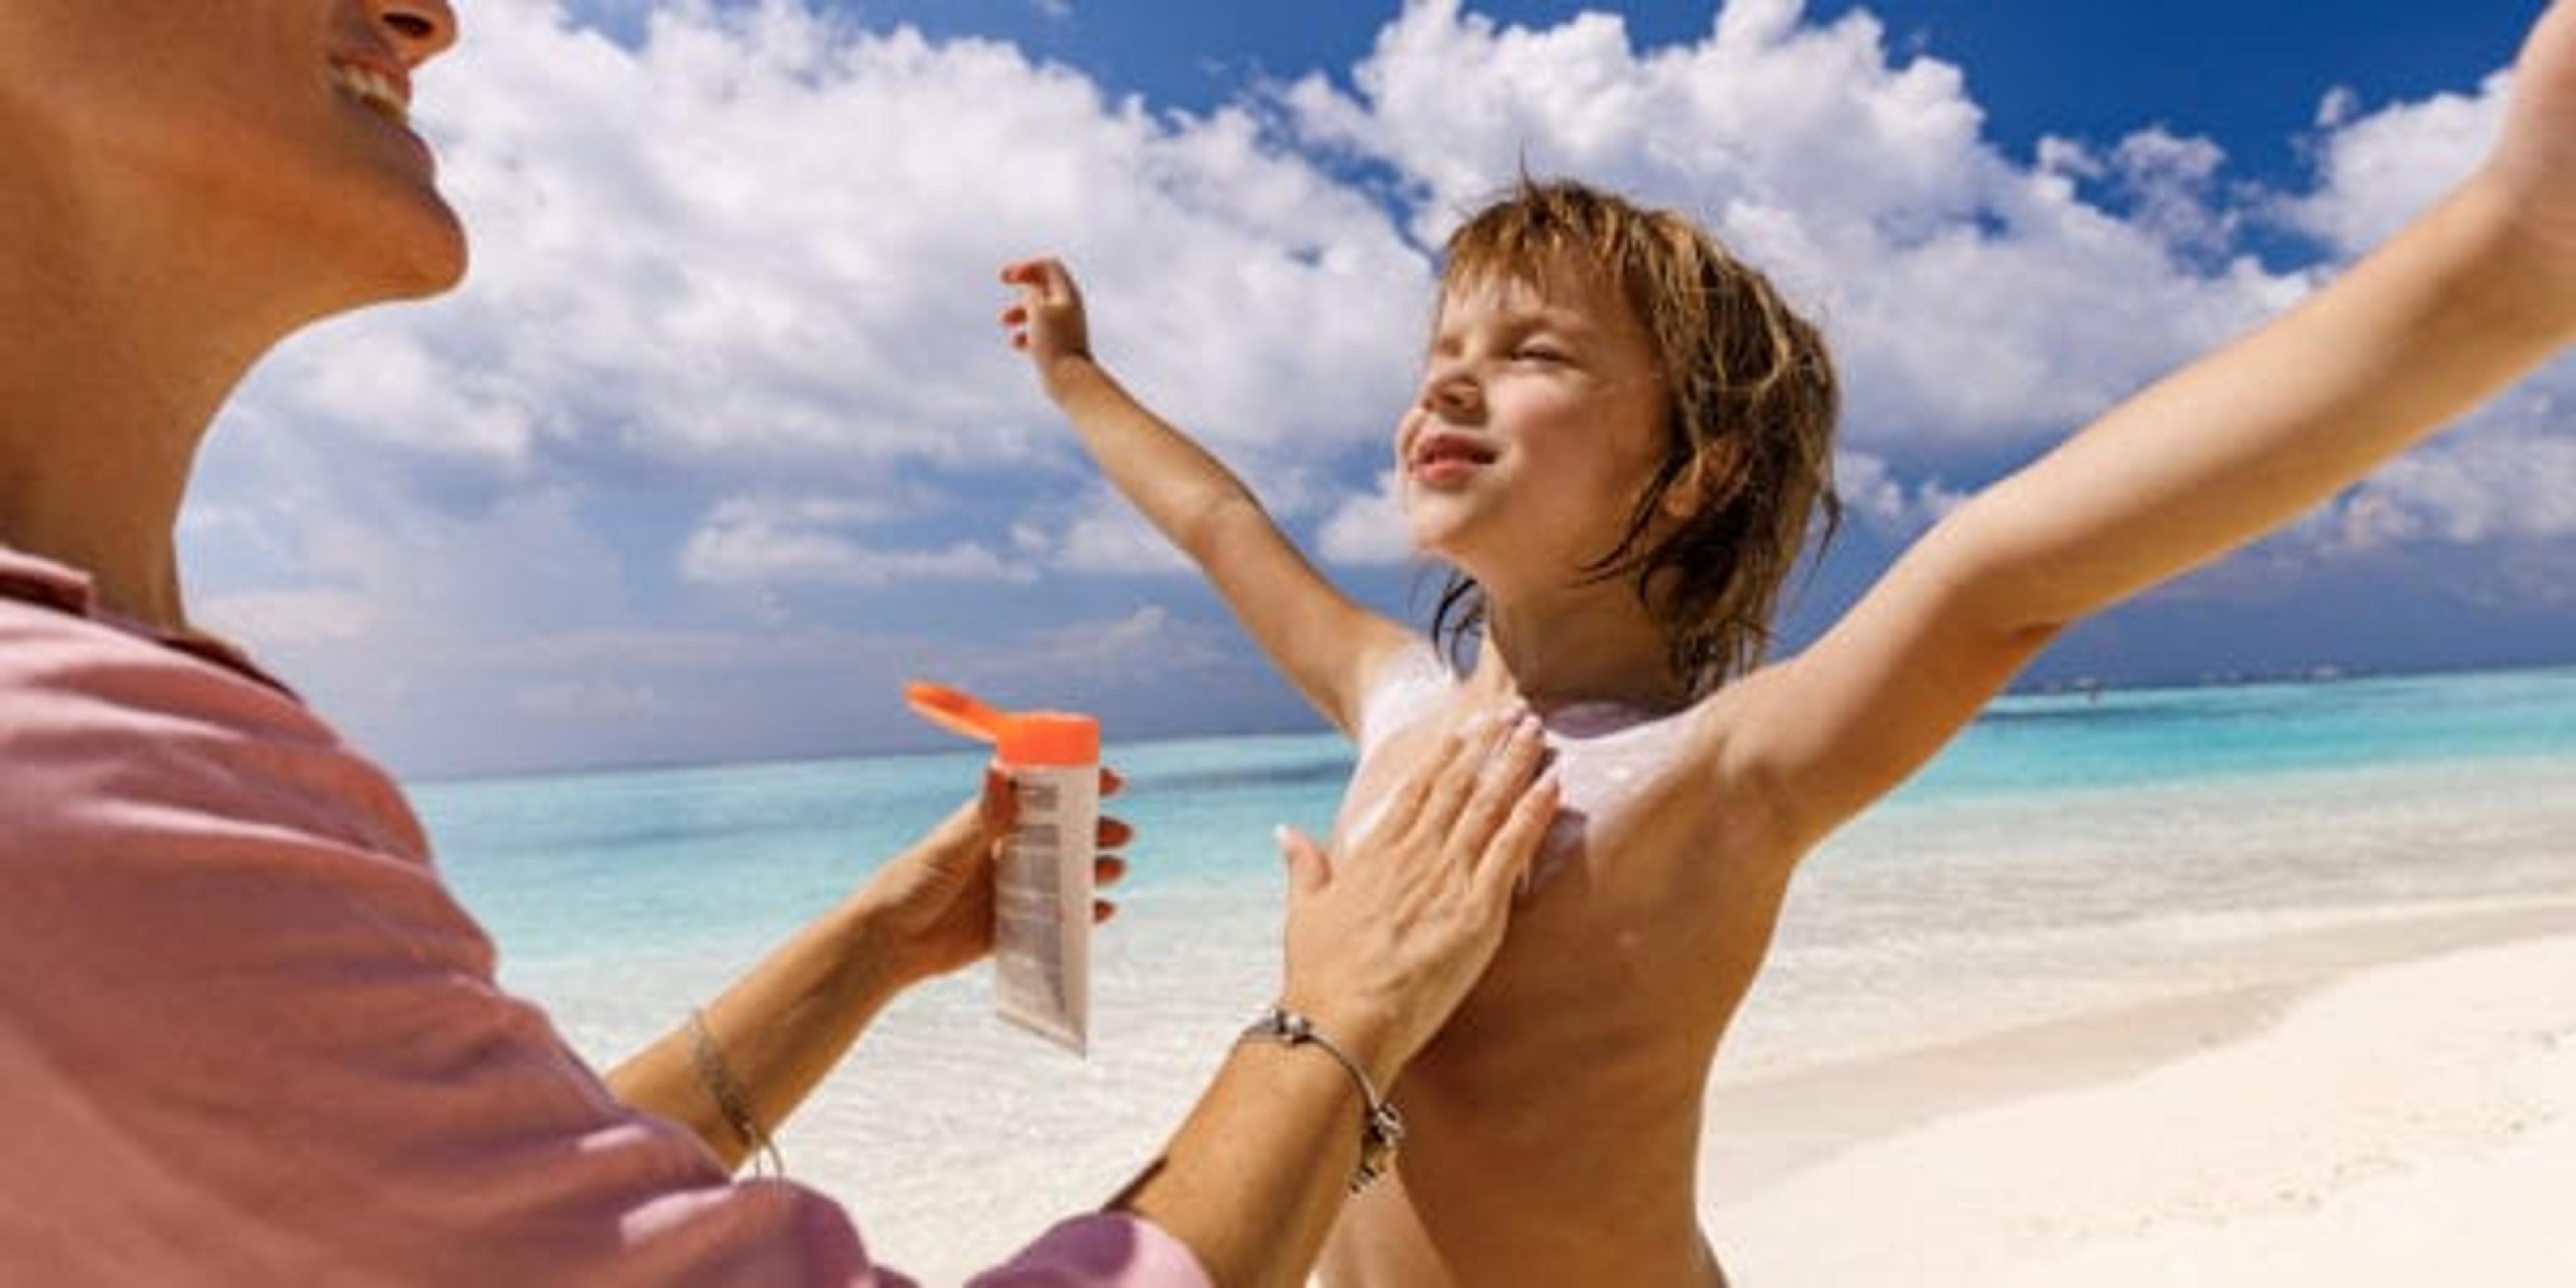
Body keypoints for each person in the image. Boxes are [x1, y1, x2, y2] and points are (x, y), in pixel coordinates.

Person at [998, 3, 2576, 1282]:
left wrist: (2516, 251)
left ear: (1695, 472)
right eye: (1444, 351)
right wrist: (1077, 378)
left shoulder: (1721, 773)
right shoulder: (1390, 700)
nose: (1452, 384)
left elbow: (2005, 570)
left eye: (1533, 353)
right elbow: (1220, 523)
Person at [0, 1, 1565, 1285]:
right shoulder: (61, 782)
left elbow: (465, 1222)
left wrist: (873, 942)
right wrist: (1337, 1023)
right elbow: (1223, 525)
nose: (434, 17)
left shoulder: (93, 746)